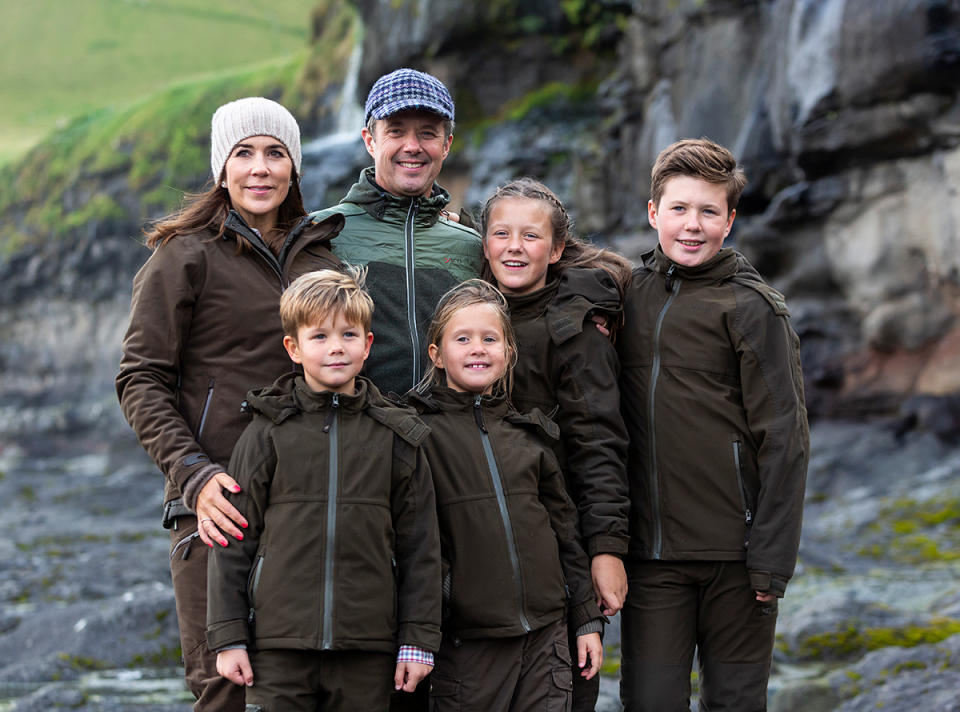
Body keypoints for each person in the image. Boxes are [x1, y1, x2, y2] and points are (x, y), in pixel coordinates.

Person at [116, 97, 344, 711]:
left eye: (275, 153)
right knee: (226, 691)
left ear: (295, 168)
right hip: (217, 508)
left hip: (311, 507)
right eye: (243, 153)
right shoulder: (183, 255)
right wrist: (193, 476)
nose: (260, 168)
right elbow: (140, 378)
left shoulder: (322, 258)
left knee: (309, 690)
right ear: (222, 168)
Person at [616, 138, 809, 711]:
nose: (691, 225)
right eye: (678, 209)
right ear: (654, 214)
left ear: (730, 220)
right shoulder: (627, 295)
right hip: (651, 560)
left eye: (708, 211)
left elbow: (786, 441)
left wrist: (771, 562)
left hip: (737, 558)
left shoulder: (753, 308)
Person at [206, 268, 441, 711]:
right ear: (293, 348)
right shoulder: (266, 432)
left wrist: (417, 640)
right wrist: (228, 634)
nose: (336, 347)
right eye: (320, 337)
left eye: (349, 334)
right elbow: (233, 541)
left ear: (368, 345)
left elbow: (421, 546)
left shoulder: (396, 435)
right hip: (277, 648)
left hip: (369, 648)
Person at [403, 279, 605, 712]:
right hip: (469, 643)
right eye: (463, 339)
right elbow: (415, 544)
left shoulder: (530, 436)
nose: (478, 348)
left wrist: (586, 619)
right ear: (436, 355)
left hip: (547, 639)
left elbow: (566, 535)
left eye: (489, 338)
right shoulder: (417, 435)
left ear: (508, 353)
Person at [479, 177, 632, 711]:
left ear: (558, 248)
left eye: (530, 236)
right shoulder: (470, 322)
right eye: (501, 233)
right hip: (480, 547)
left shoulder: (577, 327)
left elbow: (600, 444)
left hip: (562, 550)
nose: (514, 247)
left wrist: (607, 549)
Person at [308, 67, 484, 397]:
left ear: (446, 145)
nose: (412, 146)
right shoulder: (321, 233)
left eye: (428, 134)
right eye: (396, 132)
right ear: (370, 140)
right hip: (357, 435)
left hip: (446, 438)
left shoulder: (471, 246)